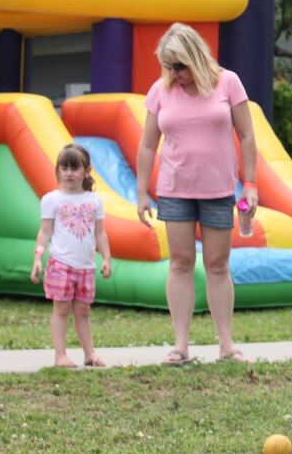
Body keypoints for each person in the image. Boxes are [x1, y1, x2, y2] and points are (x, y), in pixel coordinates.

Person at [135, 23, 258, 365]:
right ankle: (180, 345)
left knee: (217, 265)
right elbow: (147, 145)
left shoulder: (228, 82)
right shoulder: (161, 91)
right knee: (180, 263)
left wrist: (250, 184)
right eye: (168, 67)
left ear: (196, 58)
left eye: (179, 66)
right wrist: (141, 192)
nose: (174, 74)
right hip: (175, 190)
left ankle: (226, 345)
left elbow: (247, 136)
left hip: (219, 190)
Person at [30, 143, 112, 368]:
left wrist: (106, 257)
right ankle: (60, 355)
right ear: (58, 171)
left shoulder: (94, 201)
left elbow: (100, 232)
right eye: (64, 168)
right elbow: (45, 231)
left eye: (74, 168)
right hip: (61, 264)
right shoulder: (52, 200)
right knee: (62, 309)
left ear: (86, 172)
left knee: (83, 311)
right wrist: (38, 257)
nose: (68, 173)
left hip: (86, 266)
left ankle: (89, 353)